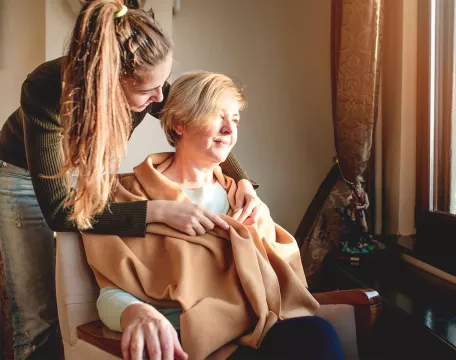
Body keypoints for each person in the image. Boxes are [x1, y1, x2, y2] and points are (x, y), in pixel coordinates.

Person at [0, 1, 261, 358]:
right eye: (146, 93)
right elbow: (61, 212)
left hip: (88, 170)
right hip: (24, 177)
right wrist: (157, 211)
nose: (159, 100)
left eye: (161, 86)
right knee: (38, 315)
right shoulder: (44, 91)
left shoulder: (146, 80)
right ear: (107, 82)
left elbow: (195, 119)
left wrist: (241, 179)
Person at [89, 71, 345, 360]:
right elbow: (111, 292)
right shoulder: (132, 196)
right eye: (216, 115)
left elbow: (276, 278)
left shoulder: (240, 197)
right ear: (180, 124)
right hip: (187, 338)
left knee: (317, 334)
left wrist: (259, 226)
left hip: (255, 326)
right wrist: (136, 313)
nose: (229, 130)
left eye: (235, 119)